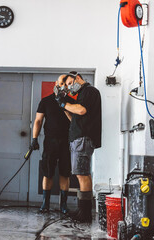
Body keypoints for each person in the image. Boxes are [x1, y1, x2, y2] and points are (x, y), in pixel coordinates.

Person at [56, 71, 102, 223]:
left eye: (70, 83)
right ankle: (83, 211)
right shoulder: (82, 95)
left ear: (78, 78)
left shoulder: (89, 91)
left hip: (83, 139)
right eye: (67, 86)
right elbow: (74, 117)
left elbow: (81, 110)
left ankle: (85, 213)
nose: (69, 87)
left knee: (82, 175)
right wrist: (64, 107)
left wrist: (64, 103)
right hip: (79, 138)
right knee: (82, 174)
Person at [30, 75, 72, 214]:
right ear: (56, 84)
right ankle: (45, 204)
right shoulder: (46, 101)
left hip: (66, 142)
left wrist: (64, 104)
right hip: (50, 141)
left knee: (65, 173)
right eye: (61, 83)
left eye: (66, 85)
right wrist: (34, 139)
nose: (63, 86)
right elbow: (38, 121)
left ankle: (63, 205)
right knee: (47, 173)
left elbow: (75, 121)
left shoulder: (70, 103)